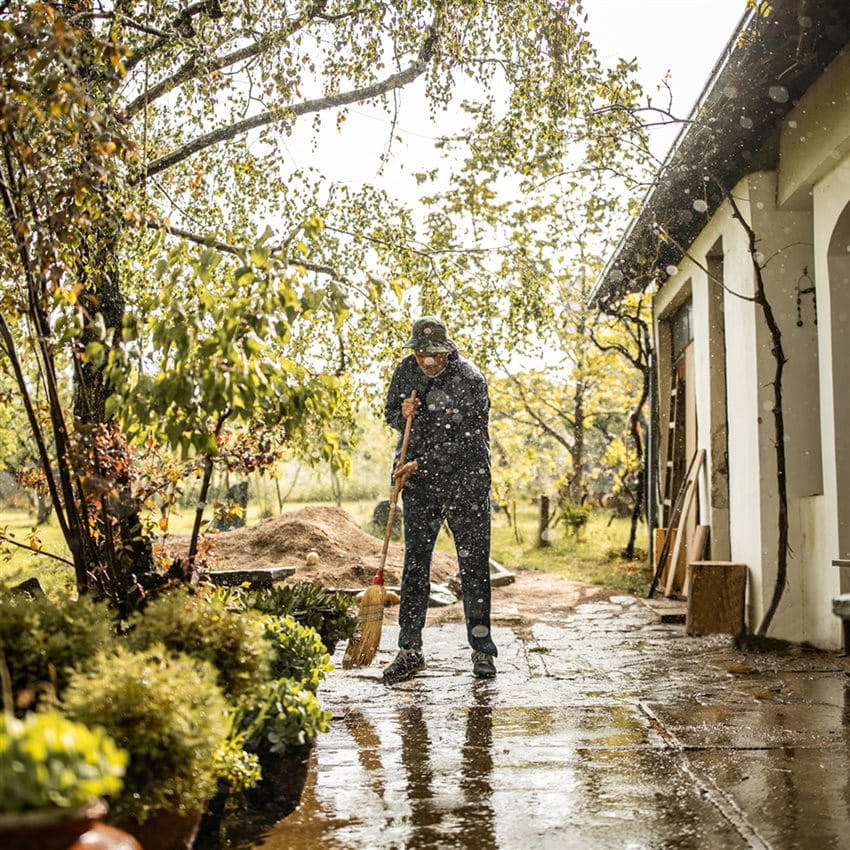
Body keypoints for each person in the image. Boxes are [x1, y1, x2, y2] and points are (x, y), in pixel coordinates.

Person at [382, 316, 498, 684]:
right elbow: (389, 414)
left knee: (474, 565)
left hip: (467, 481)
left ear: (446, 349)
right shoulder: (405, 371)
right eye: (420, 354)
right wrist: (401, 415)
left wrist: (421, 463)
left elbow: (468, 443)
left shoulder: (470, 379)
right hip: (420, 485)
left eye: (433, 354)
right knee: (415, 563)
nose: (427, 361)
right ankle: (409, 650)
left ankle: (482, 651)